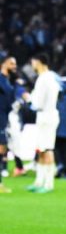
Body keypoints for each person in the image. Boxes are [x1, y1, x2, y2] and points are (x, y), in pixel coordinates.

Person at [22, 54, 61, 194]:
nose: (32, 64)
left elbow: (38, 103)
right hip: (48, 115)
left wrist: (28, 98)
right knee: (41, 149)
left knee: (47, 149)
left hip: (46, 116)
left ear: (39, 62)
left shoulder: (43, 79)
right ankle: (39, 181)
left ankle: (49, 184)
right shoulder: (51, 77)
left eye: (33, 62)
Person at [0, 53, 16, 193]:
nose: (14, 66)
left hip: (3, 118)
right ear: (3, 64)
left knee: (2, 149)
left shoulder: (7, 81)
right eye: (11, 63)